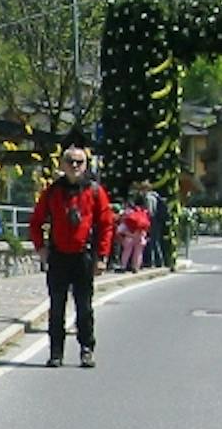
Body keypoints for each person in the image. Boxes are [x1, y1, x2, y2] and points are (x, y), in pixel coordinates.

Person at [29, 142, 114, 368]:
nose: (75, 166)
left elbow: (106, 225)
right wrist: (41, 248)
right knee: (57, 307)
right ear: (62, 164)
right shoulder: (52, 191)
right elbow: (36, 222)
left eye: (79, 162)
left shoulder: (95, 192)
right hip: (58, 256)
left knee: (84, 307)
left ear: (85, 165)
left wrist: (102, 256)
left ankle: (87, 349)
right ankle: (56, 352)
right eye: (70, 162)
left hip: (83, 256)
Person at [117, 193, 152, 272]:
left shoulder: (129, 212)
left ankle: (123, 267)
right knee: (138, 253)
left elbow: (124, 223)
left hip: (129, 234)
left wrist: (120, 233)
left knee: (126, 252)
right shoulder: (144, 212)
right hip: (140, 234)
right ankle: (136, 267)